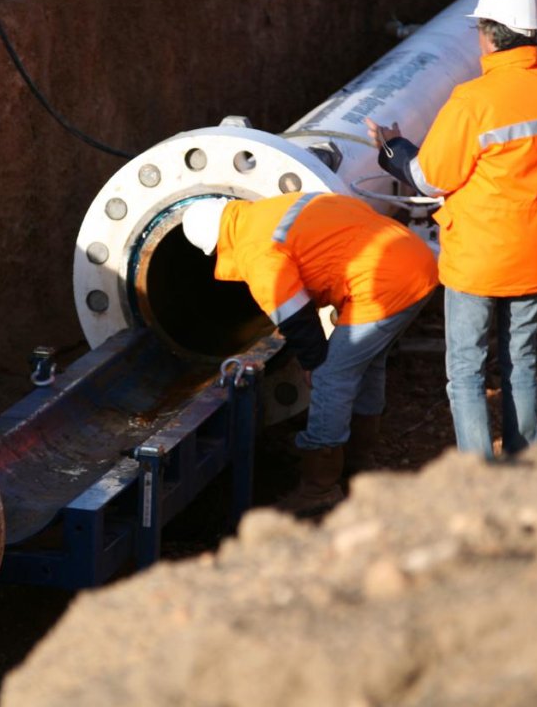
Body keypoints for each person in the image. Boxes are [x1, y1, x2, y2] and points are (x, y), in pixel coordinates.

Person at [364, 0, 537, 459]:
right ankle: (525, 466)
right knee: (520, 361)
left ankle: (477, 479)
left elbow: (431, 177)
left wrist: (392, 148)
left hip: (477, 259)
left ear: (487, 34)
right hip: (533, 251)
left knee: (466, 370)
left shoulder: (472, 101)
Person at [181, 191, 437, 516]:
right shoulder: (273, 209)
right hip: (415, 259)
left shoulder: (254, 253)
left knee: (332, 377)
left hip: (384, 283)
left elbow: (294, 317)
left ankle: (320, 487)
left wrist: (313, 362)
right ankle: (359, 463)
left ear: (216, 245)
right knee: (367, 365)